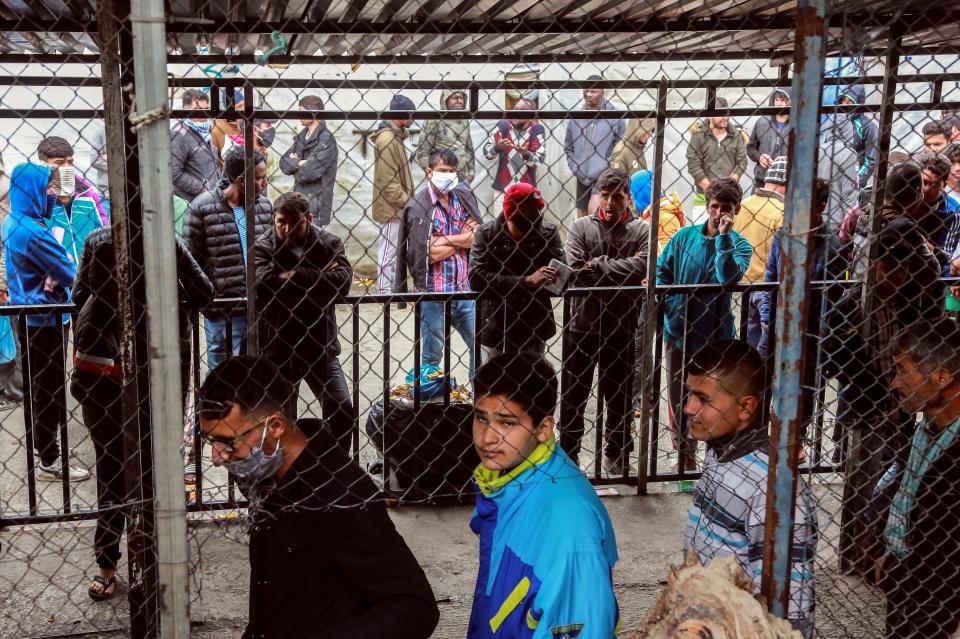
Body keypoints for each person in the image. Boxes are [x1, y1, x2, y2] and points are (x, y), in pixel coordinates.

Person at [196, 356, 440, 639]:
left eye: (228, 442)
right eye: (210, 440)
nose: (216, 457)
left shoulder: (341, 495)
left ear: (274, 426)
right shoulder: (270, 479)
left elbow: (414, 607)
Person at [71, 224, 213, 601]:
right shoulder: (163, 241)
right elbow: (203, 292)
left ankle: (111, 564)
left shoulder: (100, 242)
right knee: (155, 467)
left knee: (113, 470)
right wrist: (169, 304)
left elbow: (77, 294)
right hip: (156, 370)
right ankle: (154, 563)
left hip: (116, 377)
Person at [468, 352, 620, 638]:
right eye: (480, 418)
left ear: (544, 428)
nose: (487, 437)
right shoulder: (510, 480)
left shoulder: (570, 527)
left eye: (506, 423)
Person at [682, 338, 817, 638]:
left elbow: (792, 607)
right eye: (689, 394)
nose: (688, 408)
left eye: (703, 399)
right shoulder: (719, 453)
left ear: (746, 407)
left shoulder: (771, 487)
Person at [657, 177, 752, 472]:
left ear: (735, 210)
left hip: (715, 336)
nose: (718, 213)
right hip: (679, 329)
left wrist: (723, 238)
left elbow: (728, 277)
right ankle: (685, 454)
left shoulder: (740, 245)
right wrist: (670, 303)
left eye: (725, 208)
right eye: (714, 206)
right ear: (707, 206)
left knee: (715, 397)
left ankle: (715, 458)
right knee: (678, 396)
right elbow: (663, 270)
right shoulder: (684, 237)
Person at [2, 162, 88, 481]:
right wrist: (61, 269)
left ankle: (48, 448)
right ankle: (50, 458)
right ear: (33, 191)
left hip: (30, 313)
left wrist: (58, 270)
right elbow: (71, 272)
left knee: (41, 386)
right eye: (47, 188)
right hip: (43, 318)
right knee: (47, 388)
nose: (52, 193)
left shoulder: (17, 221)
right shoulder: (34, 232)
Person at [561, 168, 650, 475]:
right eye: (605, 195)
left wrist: (596, 264)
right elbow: (575, 269)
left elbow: (643, 265)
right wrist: (618, 271)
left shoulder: (641, 230)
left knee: (619, 398)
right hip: (582, 325)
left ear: (628, 197)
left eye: (618, 196)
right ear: (597, 195)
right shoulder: (581, 226)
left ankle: (617, 453)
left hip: (621, 327)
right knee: (573, 396)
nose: (611, 202)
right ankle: (569, 456)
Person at [877, 320, 960, 638]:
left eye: (902, 370)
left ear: (942, 377)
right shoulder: (925, 430)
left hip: (942, 601)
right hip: (909, 583)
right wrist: (891, 551)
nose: (894, 382)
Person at [254, 191, 353, 450]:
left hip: (319, 343)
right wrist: (318, 276)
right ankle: (287, 473)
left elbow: (342, 282)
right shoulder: (263, 246)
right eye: (280, 222)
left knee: (341, 407)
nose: (287, 229)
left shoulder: (328, 242)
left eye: (295, 222)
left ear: (308, 219)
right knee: (283, 417)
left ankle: (337, 465)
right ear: (273, 220)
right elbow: (262, 285)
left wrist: (295, 275)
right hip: (279, 346)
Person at [182, 147, 273, 371]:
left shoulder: (265, 207)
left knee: (257, 372)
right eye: (260, 178)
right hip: (223, 309)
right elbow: (190, 261)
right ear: (242, 180)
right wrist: (209, 300)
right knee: (223, 372)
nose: (265, 183)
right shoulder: (202, 207)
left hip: (259, 307)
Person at [395, 149, 480, 375]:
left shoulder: (463, 198)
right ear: (429, 172)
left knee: (480, 347)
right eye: (443, 171)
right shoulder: (417, 206)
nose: (448, 175)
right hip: (433, 293)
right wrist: (461, 240)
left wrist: (443, 240)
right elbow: (426, 253)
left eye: (453, 171)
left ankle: (478, 398)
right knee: (432, 356)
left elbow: (477, 238)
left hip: (464, 291)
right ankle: (432, 402)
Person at [468, 182, 564, 360]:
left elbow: (562, 275)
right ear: (510, 216)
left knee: (532, 379)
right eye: (525, 224)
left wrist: (551, 278)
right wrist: (527, 281)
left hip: (535, 320)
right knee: (494, 382)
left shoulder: (546, 232)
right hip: (496, 321)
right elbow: (476, 278)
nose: (529, 233)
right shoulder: (487, 234)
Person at [735, 155, 787, 349]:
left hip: (740, 285)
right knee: (766, 345)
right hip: (767, 287)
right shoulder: (783, 212)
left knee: (747, 343)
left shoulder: (744, 205)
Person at [37, 136, 108, 264]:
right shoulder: (37, 200)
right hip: (56, 274)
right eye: (59, 163)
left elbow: (102, 229)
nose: (66, 167)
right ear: (43, 166)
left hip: (88, 272)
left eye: (70, 162)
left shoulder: (87, 193)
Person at [372, 93, 415, 294]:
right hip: (392, 207)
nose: (413, 117)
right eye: (411, 113)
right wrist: (407, 202)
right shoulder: (388, 139)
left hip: (396, 205)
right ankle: (384, 290)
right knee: (388, 250)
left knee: (392, 249)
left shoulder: (394, 137)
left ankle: (388, 289)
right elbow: (388, 181)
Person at [564, 75, 625, 218]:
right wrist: (576, 167)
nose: (588, 94)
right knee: (582, 217)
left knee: (599, 216)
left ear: (603, 91)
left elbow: (620, 148)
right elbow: (569, 147)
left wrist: (607, 169)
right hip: (581, 175)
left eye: (594, 91)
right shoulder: (576, 117)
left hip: (604, 177)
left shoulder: (615, 117)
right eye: (586, 91)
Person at [685, 97, 748, 225]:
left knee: (727, 237)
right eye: (721, 113)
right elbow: (693, 165)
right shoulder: (698, 135)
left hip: (729, 200)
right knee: (701, 237)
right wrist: (711, 191)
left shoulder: (736, 135)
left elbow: (742, 161)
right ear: (710, 114)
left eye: (727, 113)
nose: (725, 117)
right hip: (703, 199)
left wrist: (729, 185)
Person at [279, 95, 339, 226]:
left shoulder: (326, 140)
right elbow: (283, 163)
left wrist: (296, 162)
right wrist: (301, 163)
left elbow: (309, 173)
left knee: (312, 243)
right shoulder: (301, 136)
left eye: (302, 111)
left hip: (316, 206)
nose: (298, 115)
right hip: (298, 202)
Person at [483, 99, 546, 213]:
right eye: (515, 109)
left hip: (526, 192)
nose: (515, 113)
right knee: (501, 228)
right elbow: (487, 153)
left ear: (531, 115)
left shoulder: (537, 129)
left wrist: (525, 154)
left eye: (521, 111)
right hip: (502, 190)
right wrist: (498, 147)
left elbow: (538, 162)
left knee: (525, 228)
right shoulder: (503, 125)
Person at [415, 89, 476, 185]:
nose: (459, 101)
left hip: (461, 177)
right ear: (445, 99)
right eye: (455, 98)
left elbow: (469, 148)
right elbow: (423, 151)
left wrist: (471, 173)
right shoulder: (434, 120)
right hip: (441, 176)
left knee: (460, 200)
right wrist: (429, 173)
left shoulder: (464, 120)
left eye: (461, 98)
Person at [170, 89, 220, 204]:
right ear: (186, 110)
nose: (203, 115)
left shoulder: (205, 130)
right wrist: (203, 189)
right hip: (193, 203)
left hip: (211, 199)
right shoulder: (179, 134)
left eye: (206, 110)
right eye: (198, 110)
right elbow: (174, 173)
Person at [915, 151, 960, 271]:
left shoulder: (952, 212)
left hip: (930, 271)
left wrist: (916, 237)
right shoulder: (904, 197)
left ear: (944, 185)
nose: (926, 189)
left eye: (934, 184)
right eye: (923, 182)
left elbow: (944, 256)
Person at [746, 88, 790, 189]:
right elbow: (750, 148)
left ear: (790, 102)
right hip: (762, 180)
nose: (779, 104)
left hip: (786, 182)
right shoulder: (762, 122)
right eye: (777, 100)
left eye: (783, 100)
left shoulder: (798, 125)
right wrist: (759, 157)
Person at [837, 84, 879, 188]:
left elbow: (872, 159)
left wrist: (859, 178)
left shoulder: (868, 126)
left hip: (853, 179)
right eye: (843, 100)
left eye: (850, 101)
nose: (845, 104)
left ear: (858, 103)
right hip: (834, 175)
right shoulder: (835, 120)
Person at [87, 121, 110, 215]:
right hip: (105, 191)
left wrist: (108, 157)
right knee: (102, 226)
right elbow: (95, 160)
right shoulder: (100, 132)